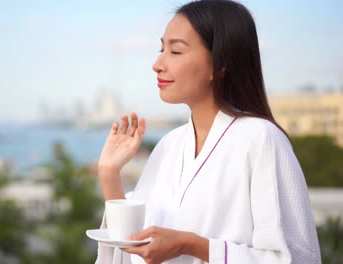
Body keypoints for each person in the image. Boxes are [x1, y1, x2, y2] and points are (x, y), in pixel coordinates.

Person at [95, 0, 321, 263]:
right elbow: (133, 248)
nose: (157, 64)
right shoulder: (169, 145)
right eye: (161, 49)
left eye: (175, 51)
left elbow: (297, 258)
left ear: (220, 64)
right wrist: (110, 174)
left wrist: (191, 245)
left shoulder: (261, 139)